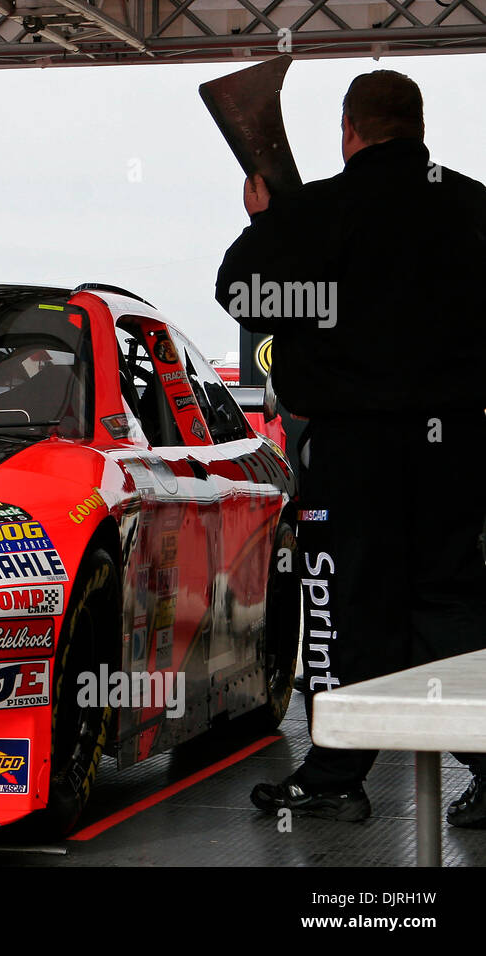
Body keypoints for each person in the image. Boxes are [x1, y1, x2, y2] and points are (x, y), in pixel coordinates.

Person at [215, 70, 486, 826]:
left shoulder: (319, 212)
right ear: (418, 125)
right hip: (457, 444)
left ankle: (336, 775)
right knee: (453, 598)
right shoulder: (472, 205)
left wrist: (269, 225)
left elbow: (241, 295)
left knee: (344, 602)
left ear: (349, 130)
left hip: (351, 448)